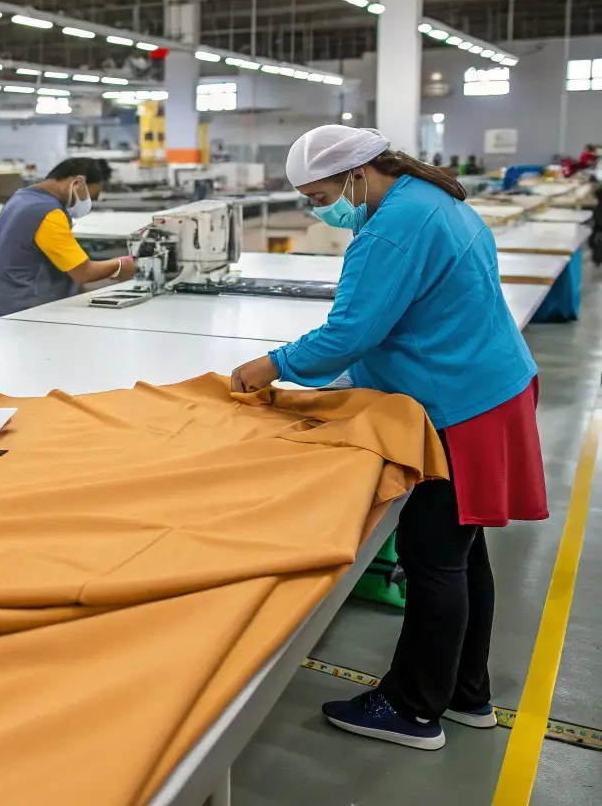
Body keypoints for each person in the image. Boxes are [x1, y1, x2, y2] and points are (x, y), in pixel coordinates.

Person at [231, 125, 545, 751]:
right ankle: (466, 694)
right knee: (463, 553)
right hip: (488, 385)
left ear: (356, 174)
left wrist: (270, 366)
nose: (321, 211)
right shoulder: (429, 198)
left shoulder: (390, 231)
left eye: (321, 197)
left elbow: (349, 332)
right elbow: (407, 314)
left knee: (432, 558)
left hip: (460, 405)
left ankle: (412, 710)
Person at [0, 157, 136, 322]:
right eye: (90, 197)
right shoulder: (48, 213)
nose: (88, 203)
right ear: (78, 183)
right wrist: (120, 265)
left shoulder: (20, 198)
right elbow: (84, 272)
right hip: (25, 314)